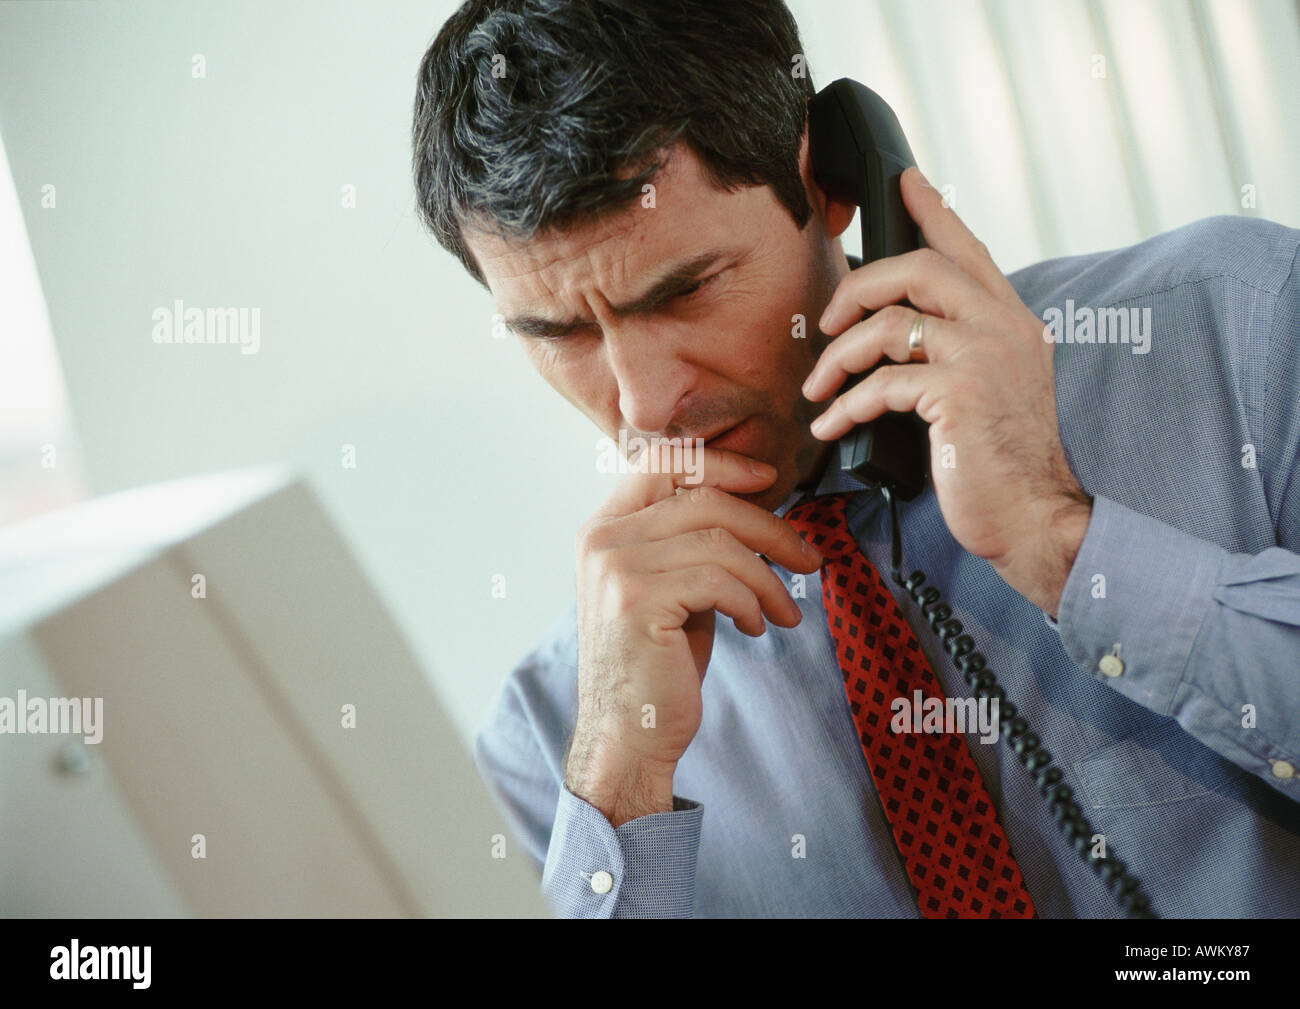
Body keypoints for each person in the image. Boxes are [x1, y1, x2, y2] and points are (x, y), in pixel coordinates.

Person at [411, 0, 1300, 917]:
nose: (642, 402)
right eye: (558, 331)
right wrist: (621, 783)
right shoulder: (550, 747)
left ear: (831, 184)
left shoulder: (1242, 331)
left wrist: (1066, 544)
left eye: (683, 291)